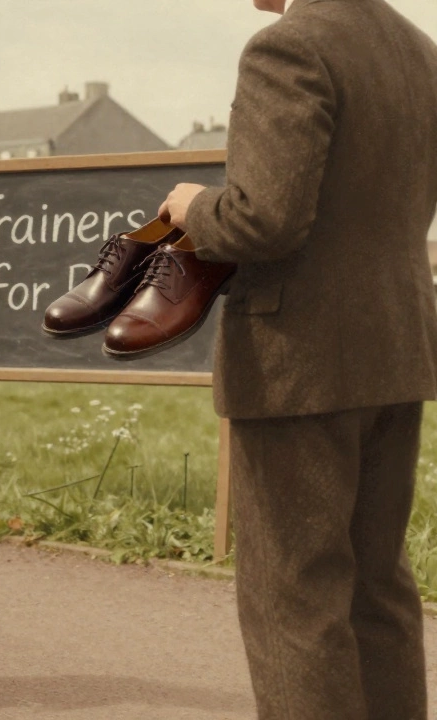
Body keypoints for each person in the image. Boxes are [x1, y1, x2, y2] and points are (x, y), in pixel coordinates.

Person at [158, 1, 437, 716]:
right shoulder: (419, 51)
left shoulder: (287, 48)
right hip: (398, 346)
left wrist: (192, 206)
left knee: (296, 596)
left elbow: (264, 218)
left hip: (298, 360)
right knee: (379, 587)